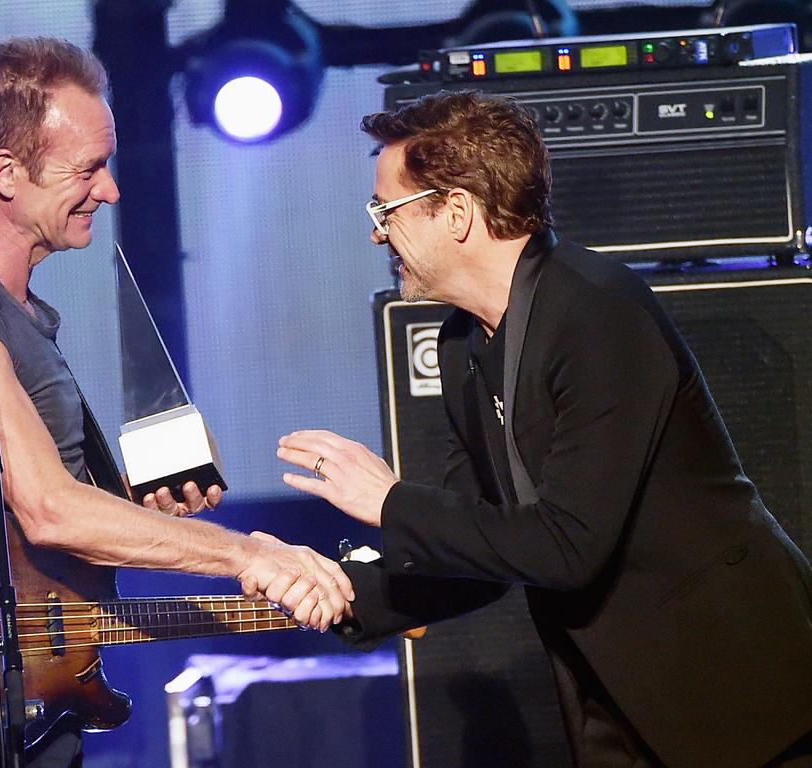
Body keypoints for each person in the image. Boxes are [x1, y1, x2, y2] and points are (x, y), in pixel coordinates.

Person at [0, 37, 352, 768]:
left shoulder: (16, 313)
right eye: (87, 169)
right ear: (5, 173)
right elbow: (49, 507)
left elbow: (36, 518)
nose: (111, 189)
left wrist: (134, 508)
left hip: (27, 690)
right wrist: (250, 556)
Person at [276, 91, 812, 767]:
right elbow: (482, 549)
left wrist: (388, 500)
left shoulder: (598, 313)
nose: (378, 233)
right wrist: (343, 594)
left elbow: (570, 544)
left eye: (386, 211)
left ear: (459, 211)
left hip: (741, 695)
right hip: (616, 705)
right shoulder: (460, 343)